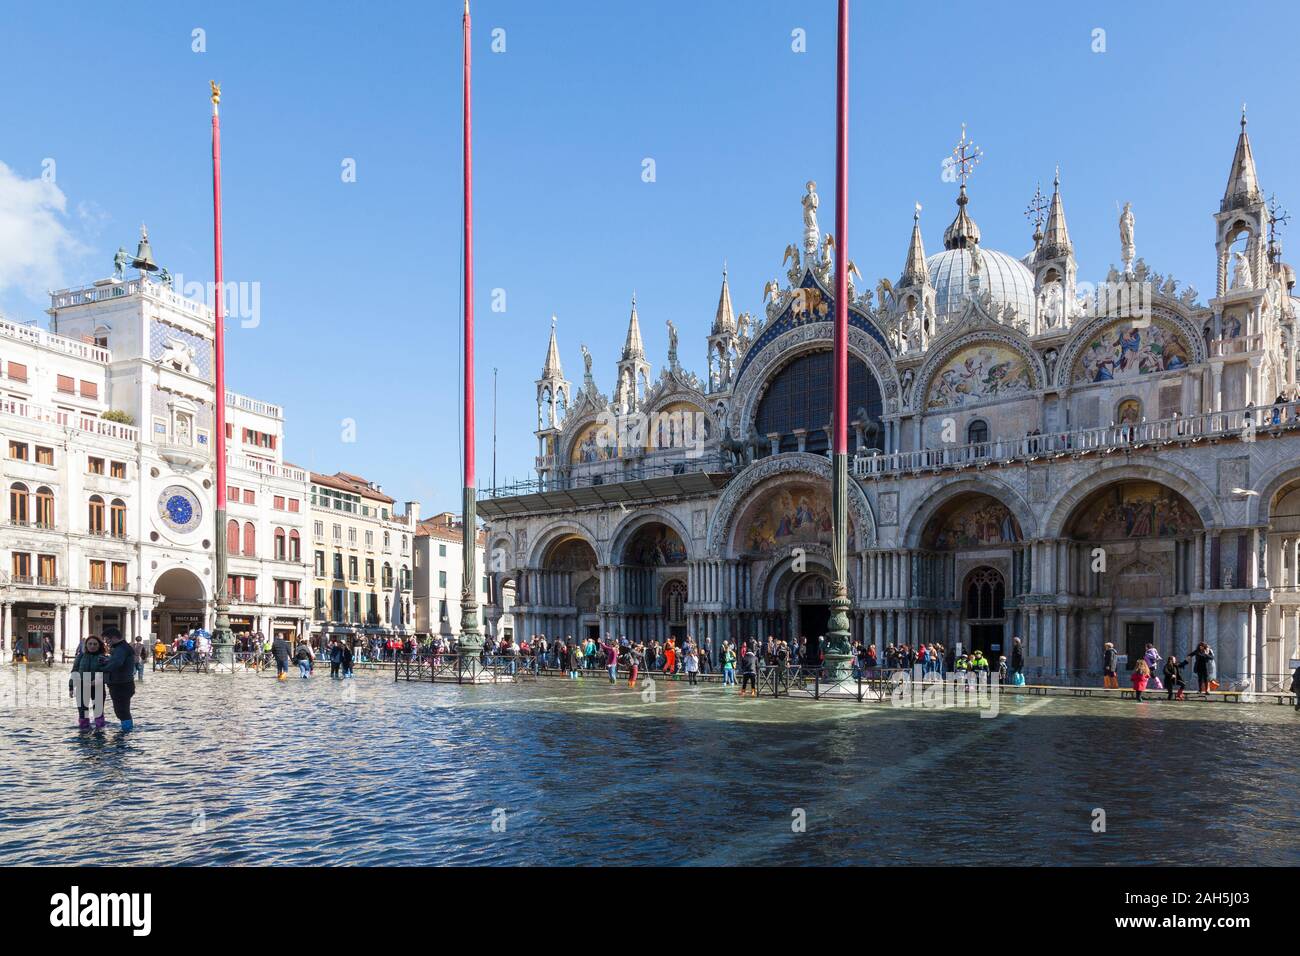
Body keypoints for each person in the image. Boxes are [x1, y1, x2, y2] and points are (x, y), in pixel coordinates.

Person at [101, 626, 137, 730]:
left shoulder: (121, 648)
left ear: (113, 638)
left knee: (121, 711)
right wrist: (108, 661)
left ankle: (127, 732)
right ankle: (127, 730)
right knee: (122, 711)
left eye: (107, 640)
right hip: (123, 684)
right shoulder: (123, 647)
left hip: (121, 684)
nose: (107, 643)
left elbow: (117, 663)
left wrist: (102, 669)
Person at [68, 635, 107, 730]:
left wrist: (99, 680)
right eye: (90, 644)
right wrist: (71, 687)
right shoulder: (80, 656)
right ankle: (83, 734)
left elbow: (107, 672)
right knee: (82, 712)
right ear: (86, 645)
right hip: (82, 686)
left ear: (99, 646)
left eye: (95, 644)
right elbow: (74, 671)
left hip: (98, 687)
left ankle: (100, 733)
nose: (92, 646)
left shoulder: (103, 657)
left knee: (98, 712)